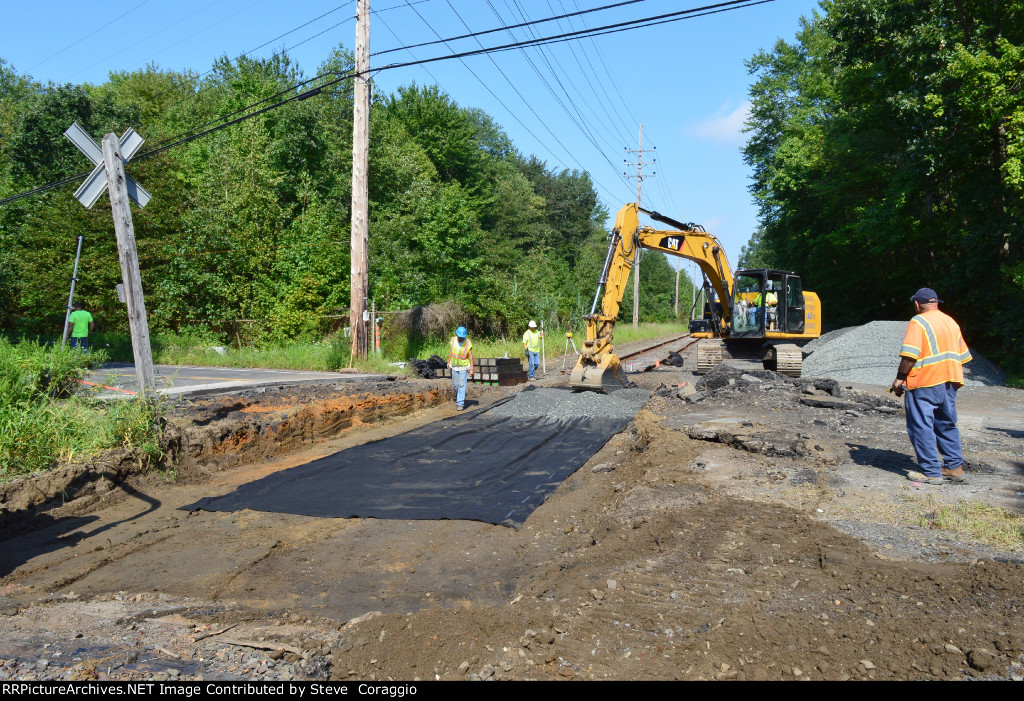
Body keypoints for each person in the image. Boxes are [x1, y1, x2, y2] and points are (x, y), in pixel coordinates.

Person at [890, 288, 973, 485]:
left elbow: (910, 355)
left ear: (917, 304)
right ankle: (954, 467)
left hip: (926, 382)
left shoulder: (919, 322)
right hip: (950, 381)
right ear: (936, 303)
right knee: (946, 423)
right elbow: (963, 356)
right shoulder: (951, 322)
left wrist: (899, 379)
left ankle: (931, 472)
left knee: (921, 426)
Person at [447, 326, 474, 411]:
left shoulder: (468, 343)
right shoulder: (453, 340)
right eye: (459, 336)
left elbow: (470, 356)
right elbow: (451, 352)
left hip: (463, 367)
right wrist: (448, 361)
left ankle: (460, 403)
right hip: (454, 366)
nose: (460, 338)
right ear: (457, 335)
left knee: (462, 385)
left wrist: (471, 369)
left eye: (462, 337)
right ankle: (458, 397)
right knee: (455, 385)